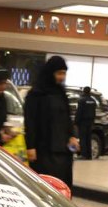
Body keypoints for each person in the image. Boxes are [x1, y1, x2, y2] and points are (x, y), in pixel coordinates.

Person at [22, 56, 77, 187]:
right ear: (50, 73)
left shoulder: (61, 93)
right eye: (59, 73)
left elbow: (67, 118)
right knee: (46, 184)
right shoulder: (36, 94)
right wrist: (30, 146)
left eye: (64, 73)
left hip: (63, 151)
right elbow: (30, 121)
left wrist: (73, 135)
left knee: (62, 184)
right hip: (43, 150)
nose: (62, 77)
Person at [75, 86, 99, 159]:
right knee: (88, 138)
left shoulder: (82, 100)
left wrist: (76, 122)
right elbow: (94, 112)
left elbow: (79, 112)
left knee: (82, 138)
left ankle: (83, 154)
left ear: (84, 91)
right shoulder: (93, 101)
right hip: (90, 122)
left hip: (83, 122)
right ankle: (89, 155)